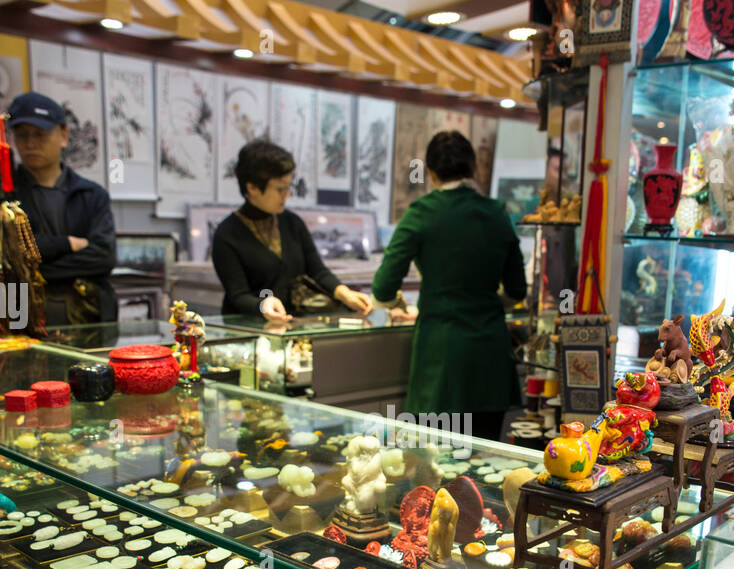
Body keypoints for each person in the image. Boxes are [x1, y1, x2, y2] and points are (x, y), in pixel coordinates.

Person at [372, 131, 527, 443]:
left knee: (435, 465)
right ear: (473, 169)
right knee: (484, 465)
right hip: (489, 359)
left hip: (439, 364)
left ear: (430, 172)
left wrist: (395, 304)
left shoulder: (421, 213)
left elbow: (383, 288)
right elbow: (517, 290)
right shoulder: (497, 213)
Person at [211, 139, 371, 319]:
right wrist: (263, 305)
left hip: (292, 327)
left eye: (288, 187)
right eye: (280, 189)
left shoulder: (292, 223)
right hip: (247, 331)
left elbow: (317, 271)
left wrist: (343, 292)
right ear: (252, 188)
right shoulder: (227, 234)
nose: (287, 195)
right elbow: (238, 295)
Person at [5, 91, 118, 346]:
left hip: (88, 319)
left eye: (40, 134)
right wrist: (66, 244)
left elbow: (104, 257)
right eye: (22, 135)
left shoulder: (91, 194)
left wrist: (36, 263)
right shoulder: (3, 197)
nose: (30, 143)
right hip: (22, 322)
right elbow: (8, 258)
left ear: (64, 135)